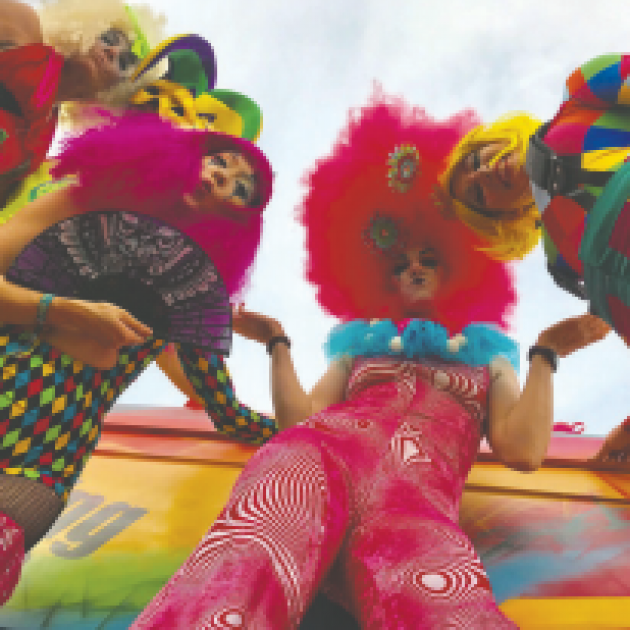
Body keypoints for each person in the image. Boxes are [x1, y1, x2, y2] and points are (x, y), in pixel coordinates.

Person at [130, 95, 609, 629]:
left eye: (431, 258)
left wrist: (546, 353)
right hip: (313, 459)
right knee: (241, 566)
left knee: (446, 609)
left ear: (462, 274)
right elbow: (300, 423)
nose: (415, 266)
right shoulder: (358, 348)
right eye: (401, 262)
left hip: (415, 509)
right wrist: (276, 342)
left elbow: (522, 451)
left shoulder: (488, 354)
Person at [0, 111, 277, 605]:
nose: (221, 179)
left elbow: (225, 411)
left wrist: (279, 352)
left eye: (240, 189)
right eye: (221, 162)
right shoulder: (79, 199)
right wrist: (63, 311)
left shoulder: (189, 291)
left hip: (47, 458)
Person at [0, 0, 163, 217]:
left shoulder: (43, 138)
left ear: (119, 89)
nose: (112, 51)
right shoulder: (23, 25)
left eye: (125, 62)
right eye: (108, 38)